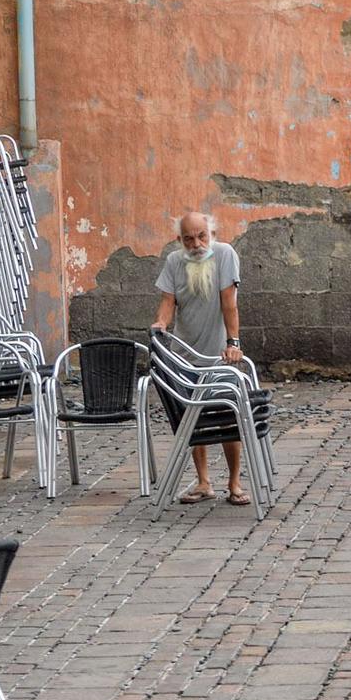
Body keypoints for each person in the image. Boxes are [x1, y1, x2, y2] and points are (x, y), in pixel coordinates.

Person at [150, 211, 251, 506]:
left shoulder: (224, 254)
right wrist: (161, 324)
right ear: (179, 240)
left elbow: (229, 302)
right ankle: (204, 481)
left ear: (212, 233)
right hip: (186, 354)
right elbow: (168, 302)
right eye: (189, 238)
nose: (196, 244)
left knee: (227, 418)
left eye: (201, 236)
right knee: (192, 417)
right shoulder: (174, 261)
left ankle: (234, 482)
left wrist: (233, 343)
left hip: (220, 353)